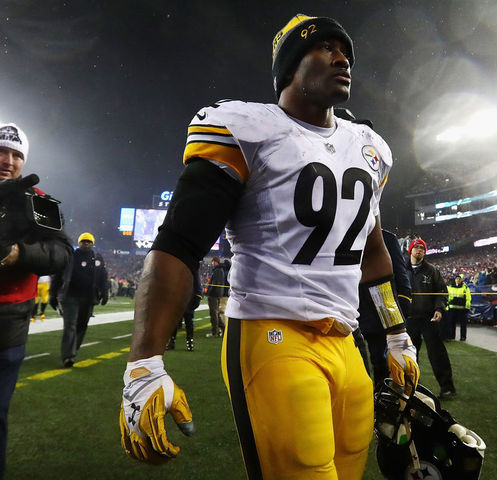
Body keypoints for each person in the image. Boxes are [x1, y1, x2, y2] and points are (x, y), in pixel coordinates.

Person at [119, 14, 419, 480]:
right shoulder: (248, 128)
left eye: (346, 52)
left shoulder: (369, 146)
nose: (343, 59)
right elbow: (179, 244)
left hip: (345, 340)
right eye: (325, 48)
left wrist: (397, 335)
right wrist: (144, 361)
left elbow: (373, 254)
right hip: (272, 332)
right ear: (289, 66)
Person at [0, 122, 72, 479]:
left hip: (6, 324)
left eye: (16, 154)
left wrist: (17, 254)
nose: (7, 160)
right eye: (1, 151)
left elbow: (62, 254)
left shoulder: (38, 199)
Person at [357, 229, 412, 390]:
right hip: (350, 313)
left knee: (380, 362)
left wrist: (398, 319)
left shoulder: (387, 238)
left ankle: (382, 399)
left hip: (378, 314)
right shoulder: (343, 230)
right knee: (354, 364)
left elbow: (402, 279)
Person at [406, 238, 457, 399]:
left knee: (437, 354)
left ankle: (447, 388)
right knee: (408, 355)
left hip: (429, 319)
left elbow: (442, 292)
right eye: (416, 247)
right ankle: (409, 387)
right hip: (409, 319)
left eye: (422, 248)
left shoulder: (432, 270)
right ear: (411, 250)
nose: (419, 250)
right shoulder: (401, 269)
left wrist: (439, 309)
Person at [50, 232, 109, 367]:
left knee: (82, 326)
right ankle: (68, 356)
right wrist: (53, 295)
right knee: (70, 325)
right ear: (79, 243)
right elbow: (58, 275)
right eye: (83, 241)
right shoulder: (71, 256)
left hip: (88, 298)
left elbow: (102, 277)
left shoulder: (97, 258)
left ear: (92, 244)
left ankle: (72, 350)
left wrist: (104, 293)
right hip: (70, 296)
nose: (86, 244)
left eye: (88, 242)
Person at [167, 268, 202, 351]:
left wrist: (197, 297)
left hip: (188, 297)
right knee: (175, 321)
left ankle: (188, 342)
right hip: (179, 296)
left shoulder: (192, 267)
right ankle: (174, 342)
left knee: (188, 321)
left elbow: (197, 283)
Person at [205, 256, 227, 338]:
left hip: (214, 294)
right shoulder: (220, 270)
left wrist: (210, 292)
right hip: (217, 294)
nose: (212, 263)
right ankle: (223, 329)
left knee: (213, 313)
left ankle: (215, 332)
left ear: (215, 261)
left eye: (213, 261)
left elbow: (215, 284)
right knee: (216, 313)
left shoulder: (217, 270)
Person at [446, 274, 471, 341]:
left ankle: (463, 337)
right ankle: (451, 336)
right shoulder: (449, 287)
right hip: (452, 307)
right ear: (455, 280)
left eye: (459, 279)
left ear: (461, 280)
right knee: (451, 323)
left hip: (462, 308)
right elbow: (447, 297)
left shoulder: (465, 288)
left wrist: (467, 307)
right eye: (457, 279)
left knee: (463, 324)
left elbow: (468, 298)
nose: (458, 280)